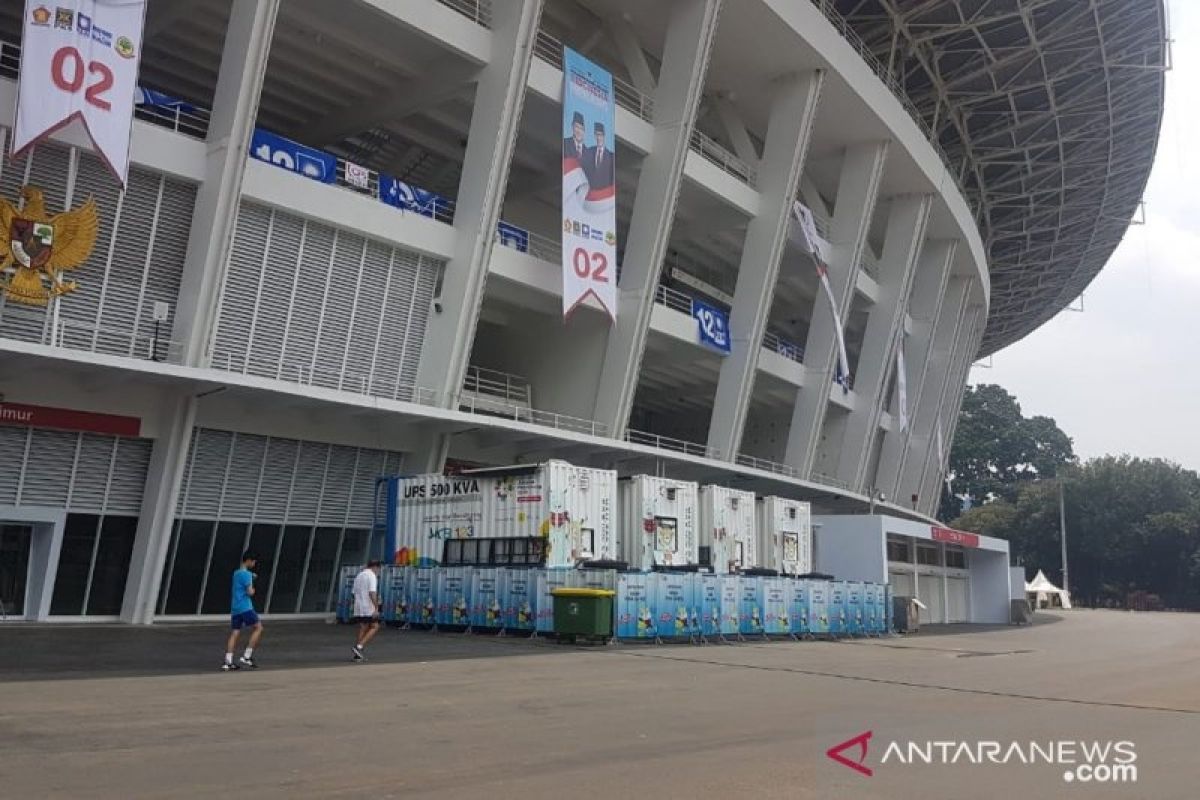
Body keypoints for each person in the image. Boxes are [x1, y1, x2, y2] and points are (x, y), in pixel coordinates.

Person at [222, 552, 263, 671]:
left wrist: (251, 576)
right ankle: (247, 656)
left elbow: (245, 576)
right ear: (249, 560)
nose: (254, 564)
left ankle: (228, 661)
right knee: (258, 628)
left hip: (235, 608)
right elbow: (250, 592)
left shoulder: (236, 573)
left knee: (235, 632)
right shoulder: (246, 576)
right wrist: (253, 587)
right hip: (245, 607)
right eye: (254, 561)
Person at [351, 560, 383, 661]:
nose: (378, 572)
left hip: (359, 606)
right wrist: (376, 607)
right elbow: (372, 592)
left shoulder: (359, 575)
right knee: (375, 626)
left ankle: (357, 654)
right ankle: (359, 646)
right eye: (379, 569)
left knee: (363, 627)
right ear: (376, 567)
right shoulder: (372, 576)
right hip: (368, 606)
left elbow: (353, 592)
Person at [584, 121, 615, 191]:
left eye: (600, 135)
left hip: (603, 194)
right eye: (597, 135)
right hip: (589, 193)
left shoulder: (611, 156)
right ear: (594, 136)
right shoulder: (589, 152)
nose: (599, 138)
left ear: (604, 136)